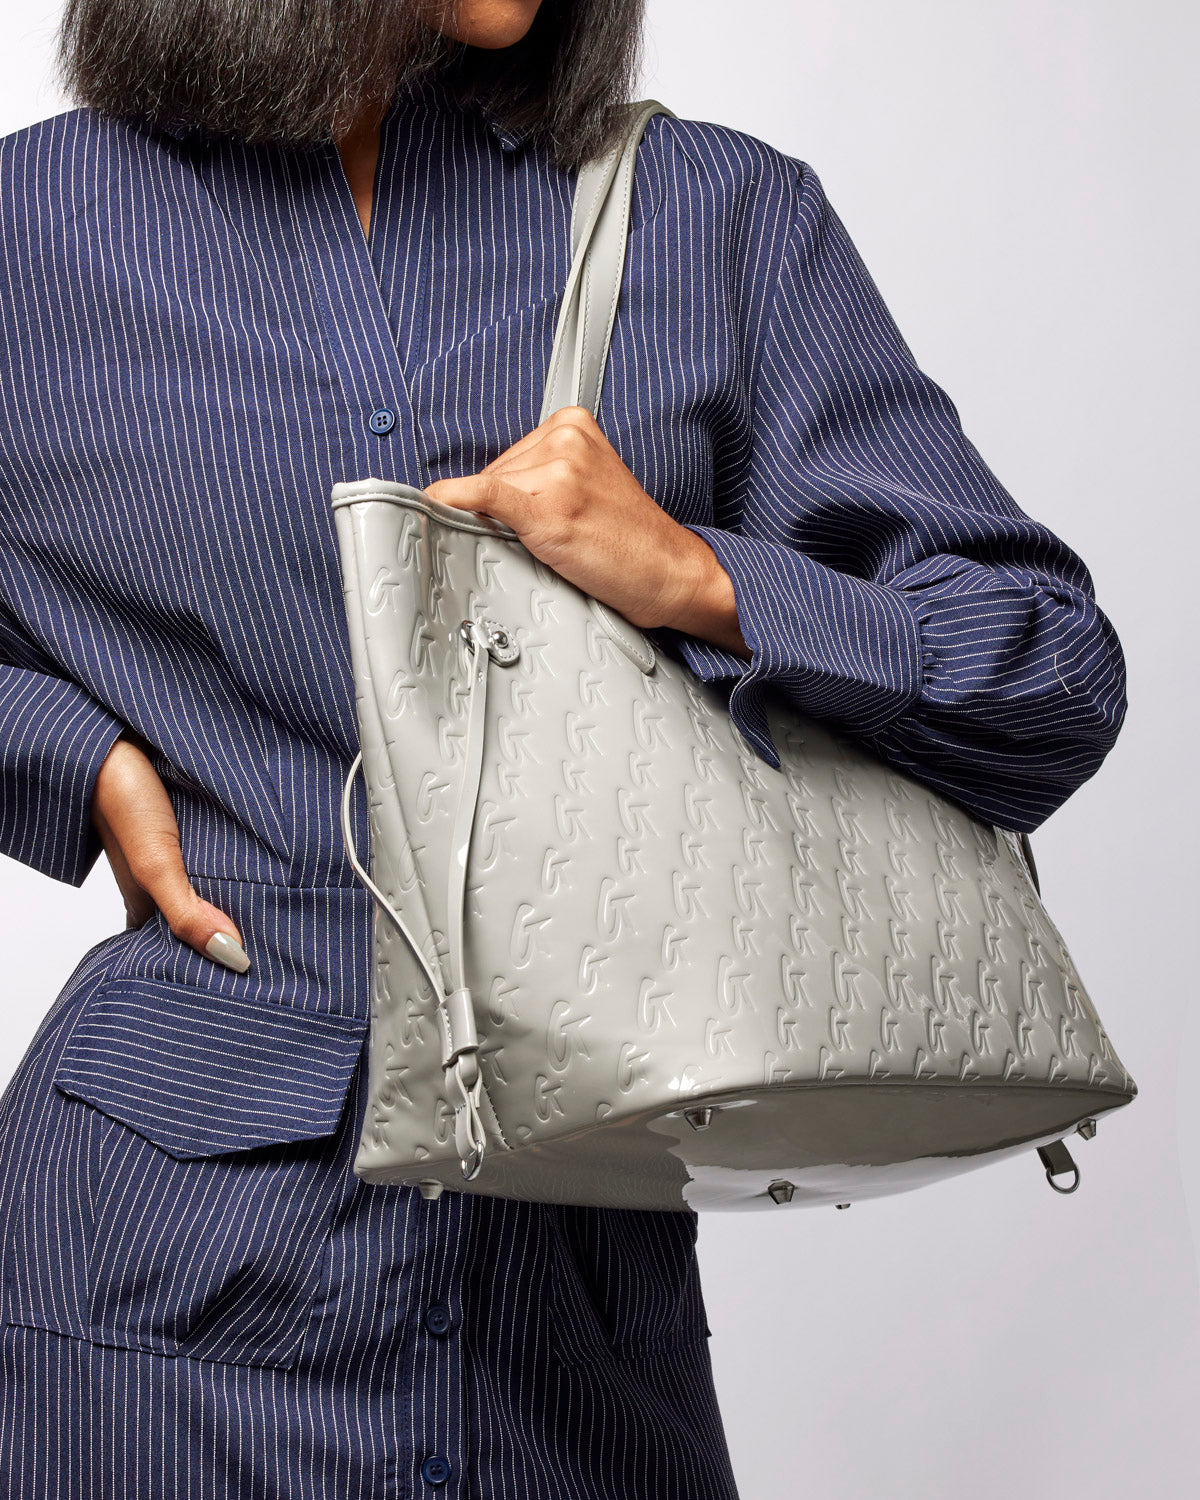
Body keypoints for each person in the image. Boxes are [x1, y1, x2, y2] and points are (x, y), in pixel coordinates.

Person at [0, 0, 1128, 1495]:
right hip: (142, 1302)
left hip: (581, 1327)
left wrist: (705, 579)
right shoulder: (30, 233)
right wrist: (67, 753)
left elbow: (1051, 673)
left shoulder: (713, 218)